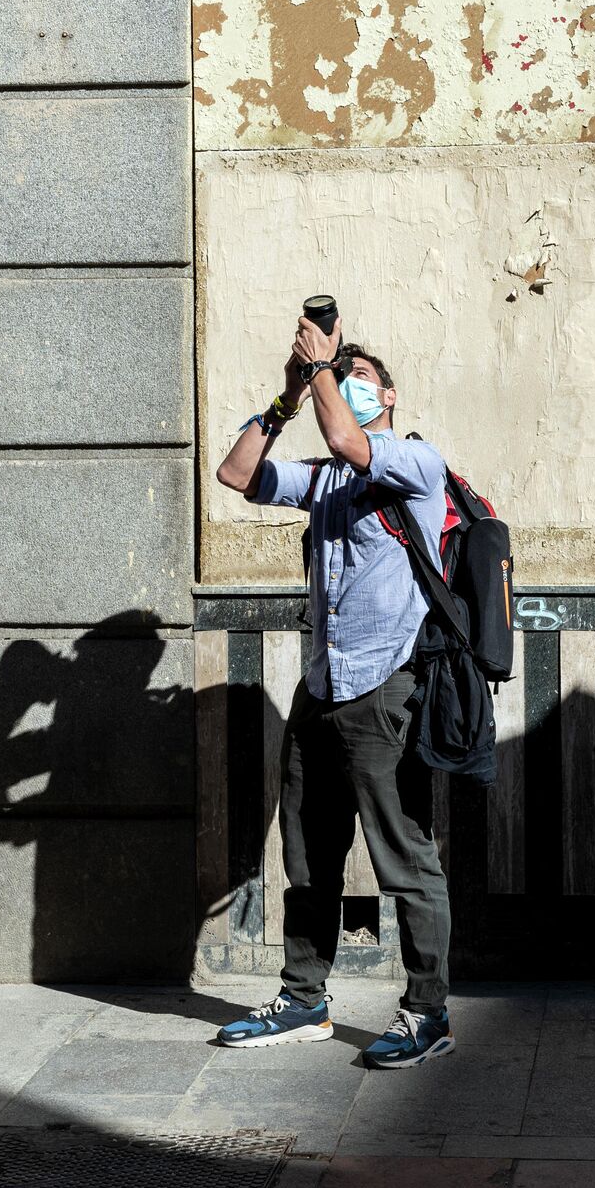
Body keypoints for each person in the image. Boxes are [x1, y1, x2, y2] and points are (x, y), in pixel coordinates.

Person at [210, 312, 456, 1069]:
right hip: (321, 688)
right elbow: (239, 474)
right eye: (341, 372)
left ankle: (426, 1010)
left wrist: (323, 366)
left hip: (387, 688)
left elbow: (352, 438)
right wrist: (285, 401)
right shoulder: (325, 483)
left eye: (363, 376)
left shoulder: (417, 462)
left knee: (404, 857)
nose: (348, 379)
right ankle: (306, 998)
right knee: (309, 855)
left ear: (389, 395)